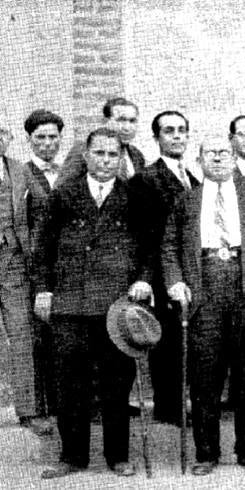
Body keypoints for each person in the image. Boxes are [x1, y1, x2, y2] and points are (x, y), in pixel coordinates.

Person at [162, 135, 245, 476]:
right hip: (204, 294)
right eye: (210, 153)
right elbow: (169, 246)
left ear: (234, 158)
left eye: (224, 153)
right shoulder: (185, 201)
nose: (218, 158)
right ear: (200, 160)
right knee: (205, 381)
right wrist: (175, 282)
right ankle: (207, 453)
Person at [35, 127, 152, 479]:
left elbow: (148, 246)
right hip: (70, 303)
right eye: (99, 154)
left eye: (112, 155)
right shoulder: (64, 194)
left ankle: (118, 455)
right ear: (86, 156)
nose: (105, 161)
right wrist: (44, 290)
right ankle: (73, 456)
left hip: (115, 304)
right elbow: (43, 248)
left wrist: (144, 279)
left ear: (121, 158)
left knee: (118, 381)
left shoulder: (134, 195)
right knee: (70, 383)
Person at [128, 110, 200, 425]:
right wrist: (147, 277)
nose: (176, 136)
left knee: (188, 339)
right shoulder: (145, 179)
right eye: (169, 131)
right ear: (156, 138)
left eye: (182, 130)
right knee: (167, 340)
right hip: (162, 271)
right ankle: (169, 410)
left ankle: (182, 404)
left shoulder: (194, 177)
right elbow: (143, 235)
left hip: (192, 270)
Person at [0, 117, 49, 434]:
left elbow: (45, 209)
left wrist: (31, 245)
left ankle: (29, 411)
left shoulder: (20, 169)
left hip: (13, 263)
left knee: (21, 335)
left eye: (1, 132)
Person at [22, 109, 67, 428]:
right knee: (38, 337)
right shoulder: (21, 176)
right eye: (41, 138)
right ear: (30, 140)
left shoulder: (69, 172)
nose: (48, 144)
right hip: (34, 268)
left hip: (65, 268)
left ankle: (68, 405)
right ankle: (41, 409)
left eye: (53, 137)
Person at [59, 97, 145, 184]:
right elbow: (61, 190)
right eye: (121, 120)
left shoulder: (136, 155)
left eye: (132, 121)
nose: (127, 128)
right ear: (105, 121)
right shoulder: (84, 150)